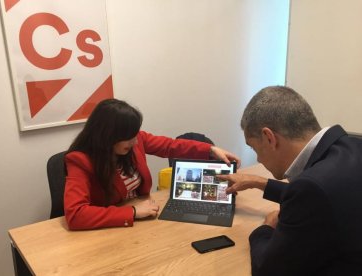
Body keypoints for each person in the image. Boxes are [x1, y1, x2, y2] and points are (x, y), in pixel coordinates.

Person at [218, 86, 362, 275]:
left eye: (254, 149)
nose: (259, 160)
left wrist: (265, 228)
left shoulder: (311, 188)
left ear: (269, 138)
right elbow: (327, 196)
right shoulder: (351, 147)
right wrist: (258, 182)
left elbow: (267, 270)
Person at [64, 98, 240, 230]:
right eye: (129, 137)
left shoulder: (136, 140)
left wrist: (210, 149)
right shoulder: (80, 161)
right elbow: (76, 215)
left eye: (135, 134)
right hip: (111, 228)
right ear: (108, 136)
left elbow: (171, 146)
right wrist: (132, 212)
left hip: (144, 220)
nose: (135, 141)